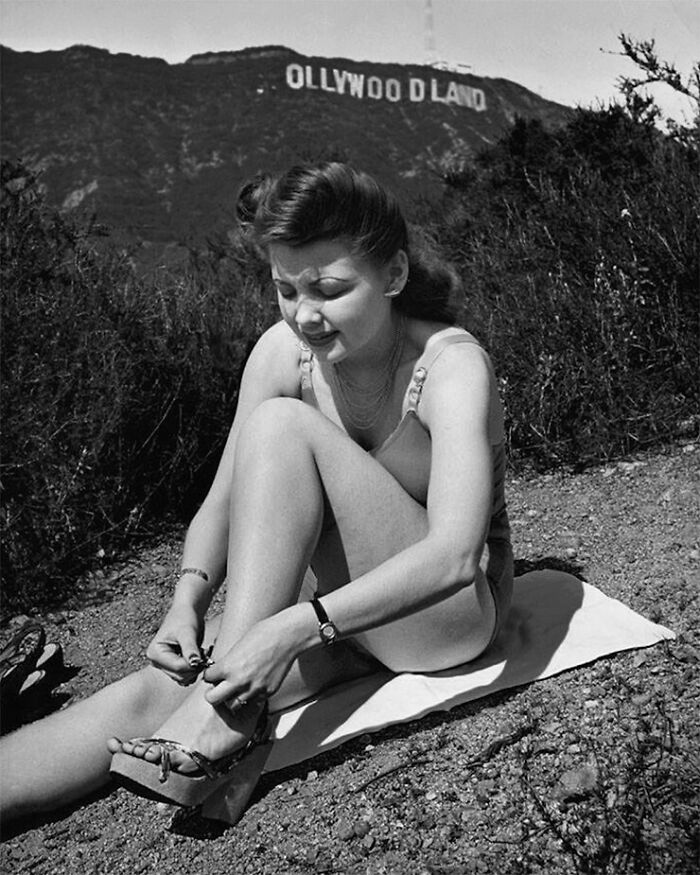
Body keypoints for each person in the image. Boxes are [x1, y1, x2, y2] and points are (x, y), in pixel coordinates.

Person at [0, 162, 512, 825]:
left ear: (394, 275)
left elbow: (453, 557)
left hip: (445, 615)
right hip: (337, 610)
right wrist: (187, 598)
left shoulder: (449, 366)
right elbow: (223, 499)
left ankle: (229, 713)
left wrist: (293, 627)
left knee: (280, 427)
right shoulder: (283, 353)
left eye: (329, 289)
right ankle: (224, 706)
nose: (306, 315)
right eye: (285, 289)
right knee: (153, 693)